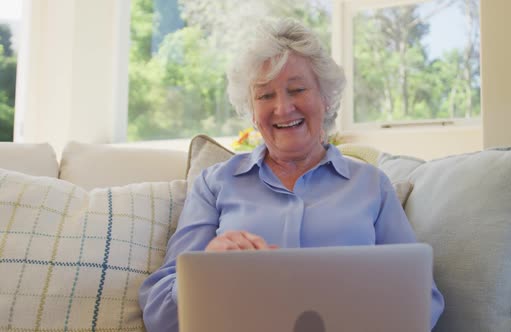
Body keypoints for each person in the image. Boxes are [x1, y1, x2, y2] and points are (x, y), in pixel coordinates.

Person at [139, 18, 444, 331]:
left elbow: (425, 301)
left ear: (325, 99)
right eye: (264, 96)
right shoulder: (215, 183)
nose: (283, 109)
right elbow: (158, 310)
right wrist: (205, 270)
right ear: (251, 112)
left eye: (297, 89)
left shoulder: (371, 186)